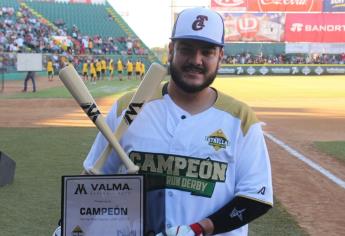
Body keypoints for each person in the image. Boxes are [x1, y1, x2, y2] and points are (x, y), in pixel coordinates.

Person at [55, 7, 273, 236]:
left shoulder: (240, 119)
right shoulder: (127, 109)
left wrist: (198, 229)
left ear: (220, 56)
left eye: (207, 52)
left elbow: (256, 197)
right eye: (186, 50)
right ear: (171, 50)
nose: (196, 60)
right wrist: (67, 223)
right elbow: (93, 178)